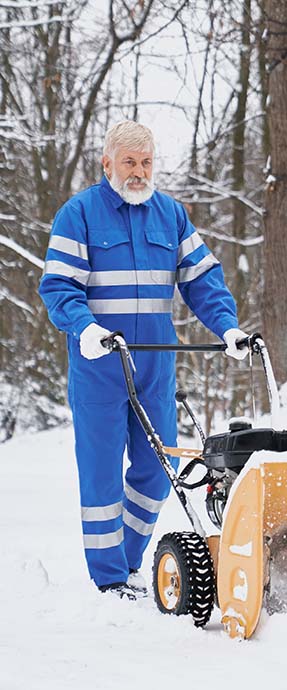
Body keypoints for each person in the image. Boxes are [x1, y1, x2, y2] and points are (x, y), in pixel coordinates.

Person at [39, 120, 248, 599]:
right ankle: (109, 577)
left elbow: (202, 281)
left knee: (158, 468)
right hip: (99, 366)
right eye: (129, 162)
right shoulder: (79, 215)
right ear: (107, 163)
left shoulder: (171, 216)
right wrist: (84, 328)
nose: (139, 172)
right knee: (101, 472)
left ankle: (131, 558)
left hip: (154, 364)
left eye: (147, 162)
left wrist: (228, 328)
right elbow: (59, 286)